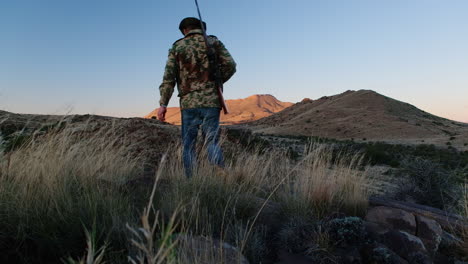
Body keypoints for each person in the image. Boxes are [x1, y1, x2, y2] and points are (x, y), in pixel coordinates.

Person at [157, 17, 236, 178]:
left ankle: (192, 181)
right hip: (212, 100)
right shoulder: (213, 42)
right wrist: (217, 81)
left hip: (189, 103)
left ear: (184, 30)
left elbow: (168, 78)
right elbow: (231, 65)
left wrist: (163, 104)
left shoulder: (177, 47)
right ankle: (221, 176)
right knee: (212, 142)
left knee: (188, 146)